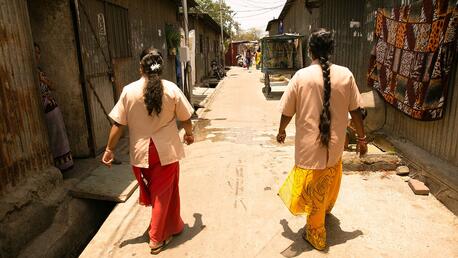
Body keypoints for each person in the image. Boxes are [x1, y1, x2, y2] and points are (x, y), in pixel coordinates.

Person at [276, 29, 367, 251]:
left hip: (309, 146)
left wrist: (281, 131)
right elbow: (356, 111)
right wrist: (362, 138)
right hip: (335, 144)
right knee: (330, 175)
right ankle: (323, 208)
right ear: (332, 50)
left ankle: (316, 234)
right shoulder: (346, 75)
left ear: (310, 51)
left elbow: (287, 111)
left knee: (314, 184)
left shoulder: (301, 76)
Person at [101, 47, 195, 254]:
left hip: (141, 153)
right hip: (166, 151)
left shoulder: (129, 90)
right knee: (163, 194)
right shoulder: (171, 89)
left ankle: (171, 225)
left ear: (140, 68)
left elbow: (118, 124)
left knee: (158, 192)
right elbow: (186, 118)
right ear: (161, 67)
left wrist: (109, 149)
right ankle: (156, 239)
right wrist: (189, 134)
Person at [34, 43, 74, 171]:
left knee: (59, 135)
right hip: (45, 111)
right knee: (52, 136)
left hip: (52, 109)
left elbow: (53, 86)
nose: (37, 55)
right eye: (34, 52)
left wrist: (44, 81)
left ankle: (64, 164)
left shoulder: (40, 71)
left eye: (38, 53)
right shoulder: (31, 73)